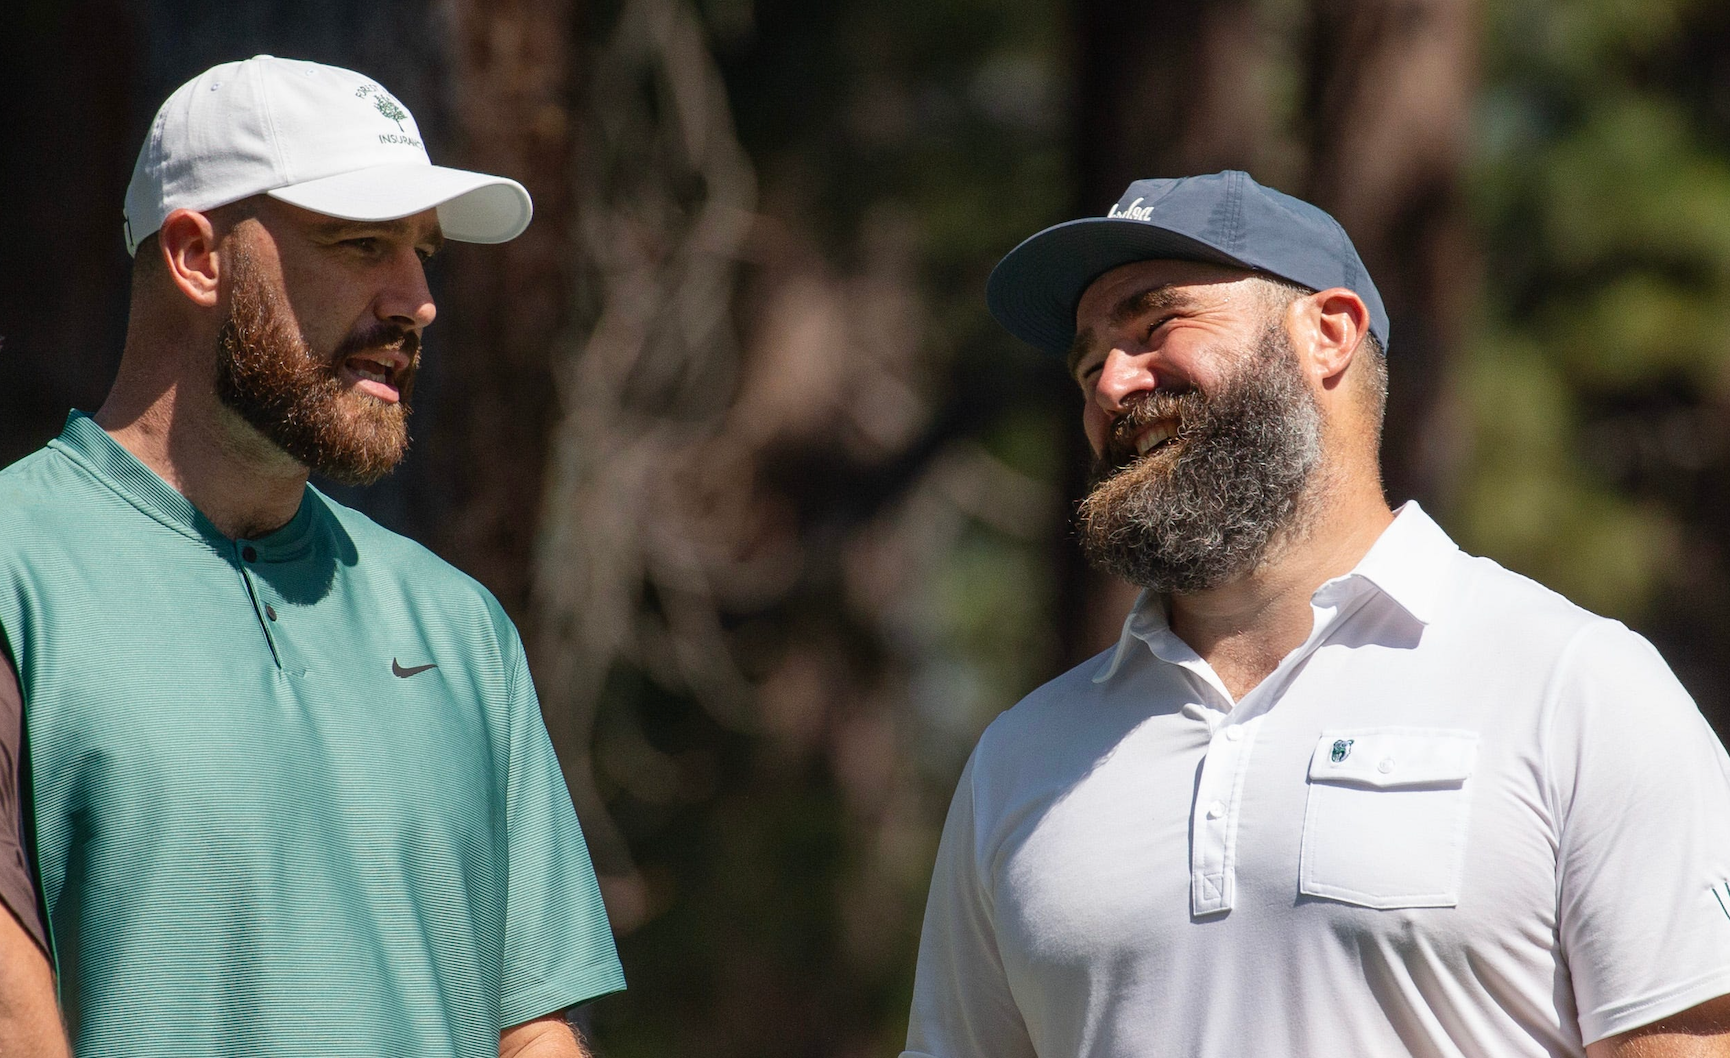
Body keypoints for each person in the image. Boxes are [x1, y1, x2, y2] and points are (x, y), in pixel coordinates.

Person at [900, 170, 1730, 1057]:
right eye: (1088, 362)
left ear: (1327, 334)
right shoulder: (1020, 761)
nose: (1111, 385)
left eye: (1153, 326)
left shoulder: (1574, 686)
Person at [0, 56, 624, 1057]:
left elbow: (536, 1024)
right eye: (361, 242)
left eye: (422, 251)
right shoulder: (18, 566)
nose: (417, 300)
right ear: (198, 257)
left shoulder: (458, 627)